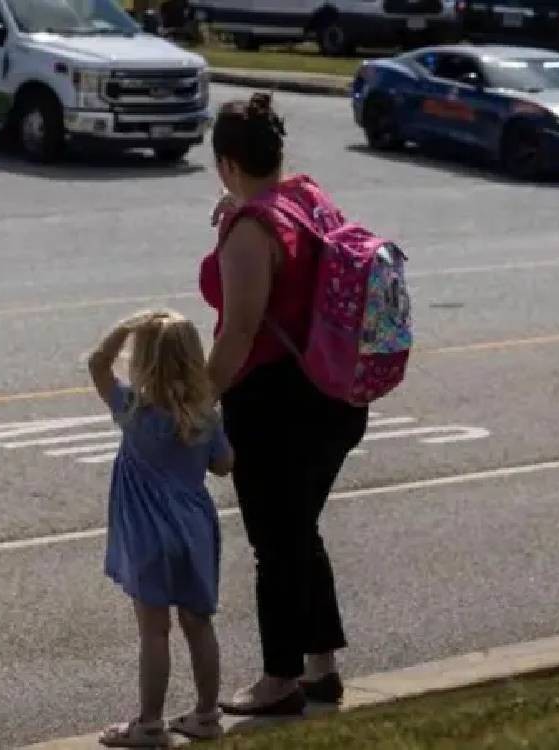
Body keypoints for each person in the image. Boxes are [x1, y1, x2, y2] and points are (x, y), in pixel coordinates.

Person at [200, 93, 369, 716]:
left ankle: (279, 679)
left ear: (225, 162)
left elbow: (237, 334)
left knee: (275, 542)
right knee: (300, 531)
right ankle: (322, 667)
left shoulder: (250, 231)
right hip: (336, 396)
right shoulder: (306, 196)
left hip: (277, 406)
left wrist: (197, 401)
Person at [88, 310, 235, 748]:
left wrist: (126, 327)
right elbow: (225, 466)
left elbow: (97, 364)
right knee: (199, 624)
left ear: (144, 360)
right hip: (193, 529)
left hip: (148, 535)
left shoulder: (133, 410)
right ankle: (207, 714)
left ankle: (150, 723)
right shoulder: (204, 415)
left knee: (154, 631)